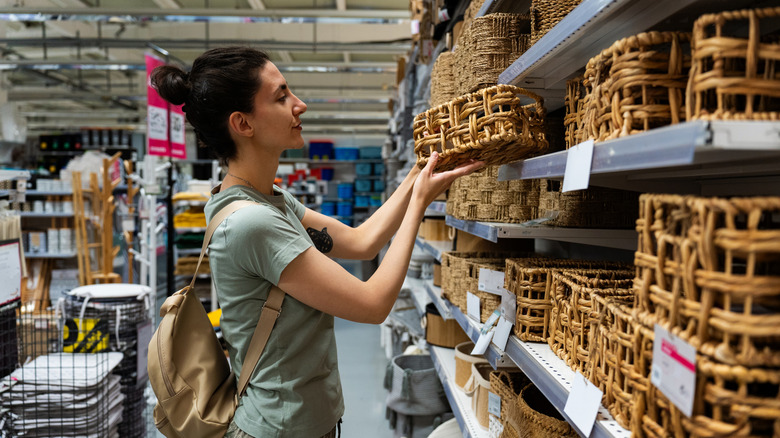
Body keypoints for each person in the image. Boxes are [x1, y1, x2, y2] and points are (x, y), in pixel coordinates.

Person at [151, 46, 482, 438]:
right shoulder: (253, 222)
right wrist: (419, 205)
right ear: (242, 123)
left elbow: (362, 242)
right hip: (278, 429)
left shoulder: (266, 199)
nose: (300, 105)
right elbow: (374, 304)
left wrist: (417, 173)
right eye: (281, 97)